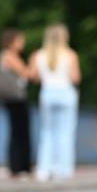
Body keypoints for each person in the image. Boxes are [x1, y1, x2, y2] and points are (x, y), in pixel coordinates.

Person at [29, 24, 81, 180]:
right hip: (66, 93)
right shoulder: (70, 55)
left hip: (47, 93)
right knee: (65, 132)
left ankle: (44, 170)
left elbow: (34, 77)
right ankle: (63, 170)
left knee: (47, 132)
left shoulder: (38, 55)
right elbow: (75, 78)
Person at [0, 29, 32, 177]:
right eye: (20, 40)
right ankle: (19, 166)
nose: (22, 43)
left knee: (17, 132)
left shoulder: (7, 56)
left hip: (12, 99)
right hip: (15, 99)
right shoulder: (8, 56)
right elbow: (27, 73)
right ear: (11, 42)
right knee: (19, 132)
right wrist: (34, 61)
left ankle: (18, 166)